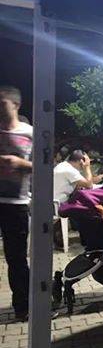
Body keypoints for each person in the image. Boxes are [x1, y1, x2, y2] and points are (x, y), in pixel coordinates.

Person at [0, 87, 33, 321]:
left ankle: (24, 307)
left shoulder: (30, 133)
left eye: (2, 103)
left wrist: (20, 163)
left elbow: (43, 166)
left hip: (16, 203)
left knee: (16, 258)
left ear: (15, 105)